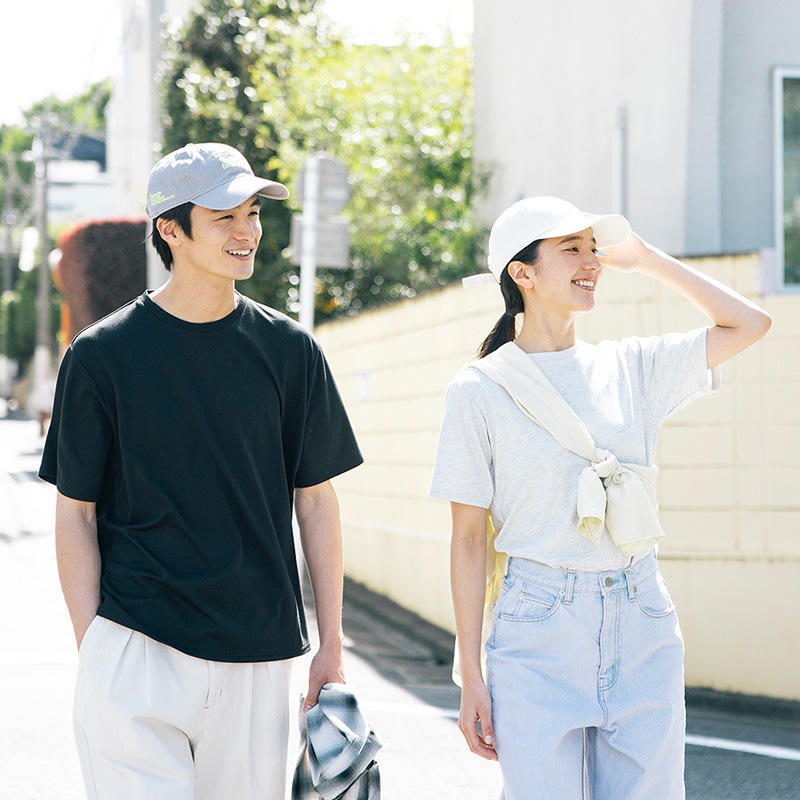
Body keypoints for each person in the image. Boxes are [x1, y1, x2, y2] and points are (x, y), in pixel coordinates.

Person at [39, 142, 363, 800]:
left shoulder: (291, 352)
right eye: (225, 217)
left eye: (253, 214)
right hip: (135, 649)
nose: (248, 232)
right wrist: (94, 648)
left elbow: (316, 502)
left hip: (257, 654)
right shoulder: (101, 356)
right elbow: (76, 513)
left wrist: (331, 642)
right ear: (171, 229)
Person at [429, 196, 771, 799]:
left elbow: (749, 324)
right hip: (537, 627)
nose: (591, 262)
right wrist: (471, 675)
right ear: (522, 272)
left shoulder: (631, 365)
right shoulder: (478, 390)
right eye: (571, 249)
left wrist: (649, 259)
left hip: (641, 616)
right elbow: (467, 540)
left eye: (593, 248)